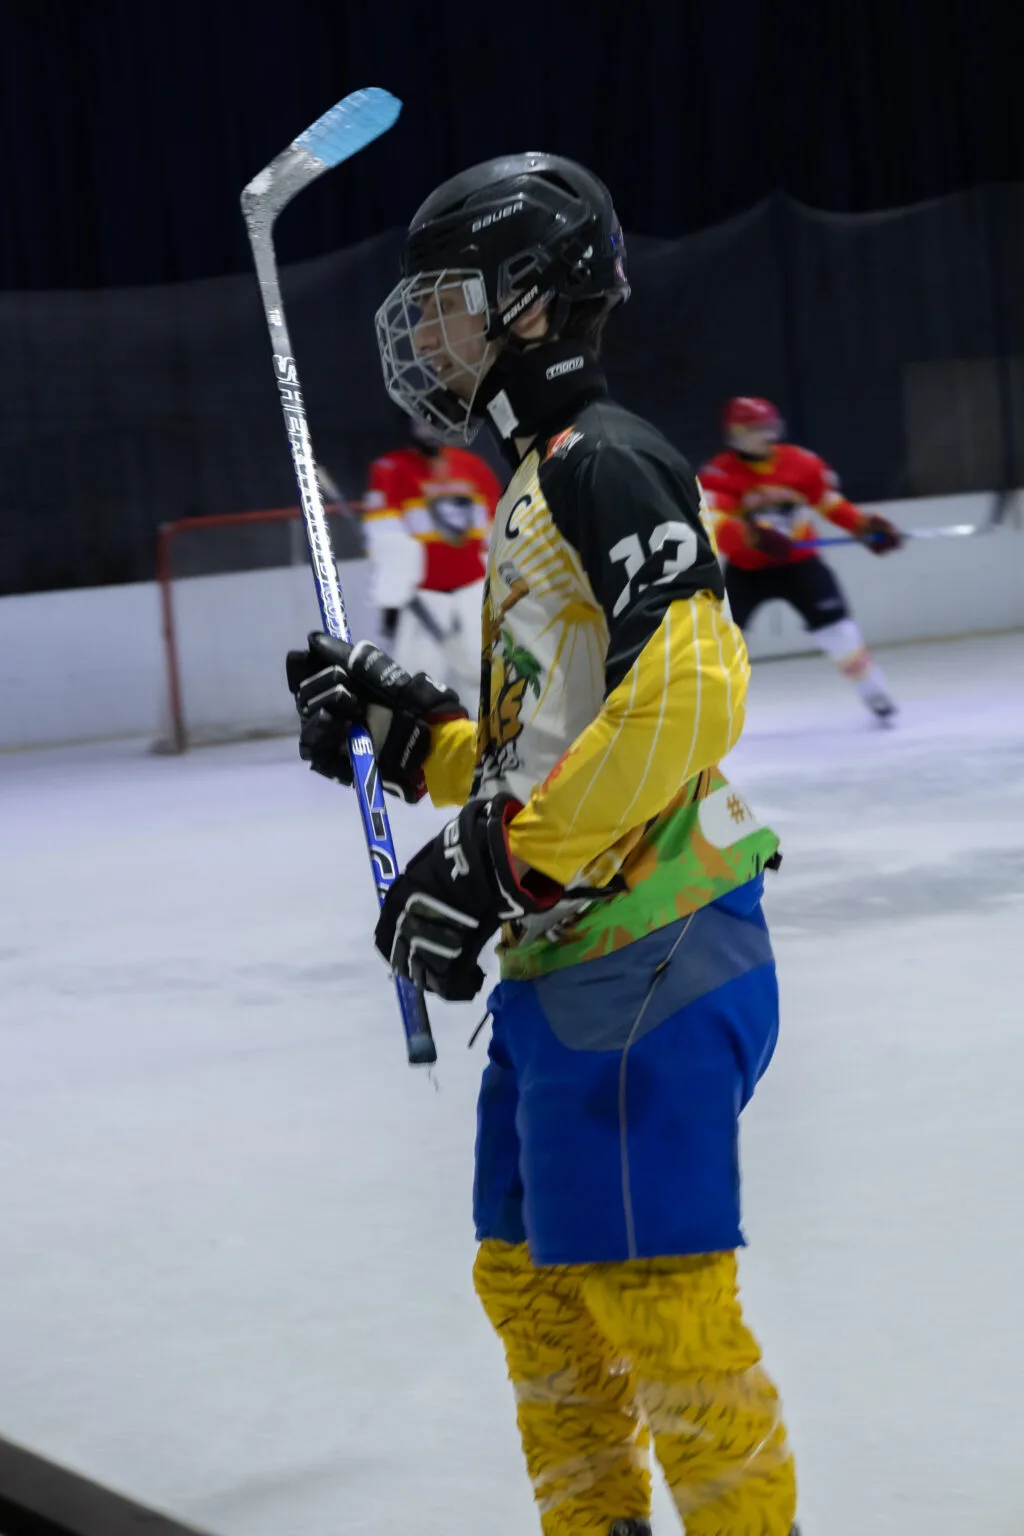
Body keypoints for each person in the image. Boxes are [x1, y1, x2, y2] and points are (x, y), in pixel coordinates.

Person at [286, 155, 798, 1536]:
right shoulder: (530, 484)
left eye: (446, 300)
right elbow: (552, 754)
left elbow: (691, 694)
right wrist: (412, 739)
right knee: (526, 1280)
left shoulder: (602, 459)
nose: (424, 331)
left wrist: (505, 861)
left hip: (650, 956)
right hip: (572, 963)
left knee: (660, 1310)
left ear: (530, 301)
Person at [699, 396, 904, 722]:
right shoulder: (717, 473)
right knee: (724, 643)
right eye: (753, 430)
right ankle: (708, 715)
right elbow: (715, 522)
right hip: (747, 570)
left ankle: (874, 693)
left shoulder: (802, 463)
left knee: (839, 632)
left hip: (801, 564)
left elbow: (829, 504)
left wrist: (863, 527)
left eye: (768, 428)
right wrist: (753, 538)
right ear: (734, 435)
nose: (764, 436)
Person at [361, 409, 502, 699]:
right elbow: (384, 537)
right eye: (420, 423)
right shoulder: (391, 469)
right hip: (423, 597)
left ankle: (489, 741)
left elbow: (495, 532)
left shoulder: (473, 467)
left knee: (484, 678)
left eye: (434, 422)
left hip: (473, 592)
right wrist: (394, 596)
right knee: (416, 684)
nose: (427, 430)